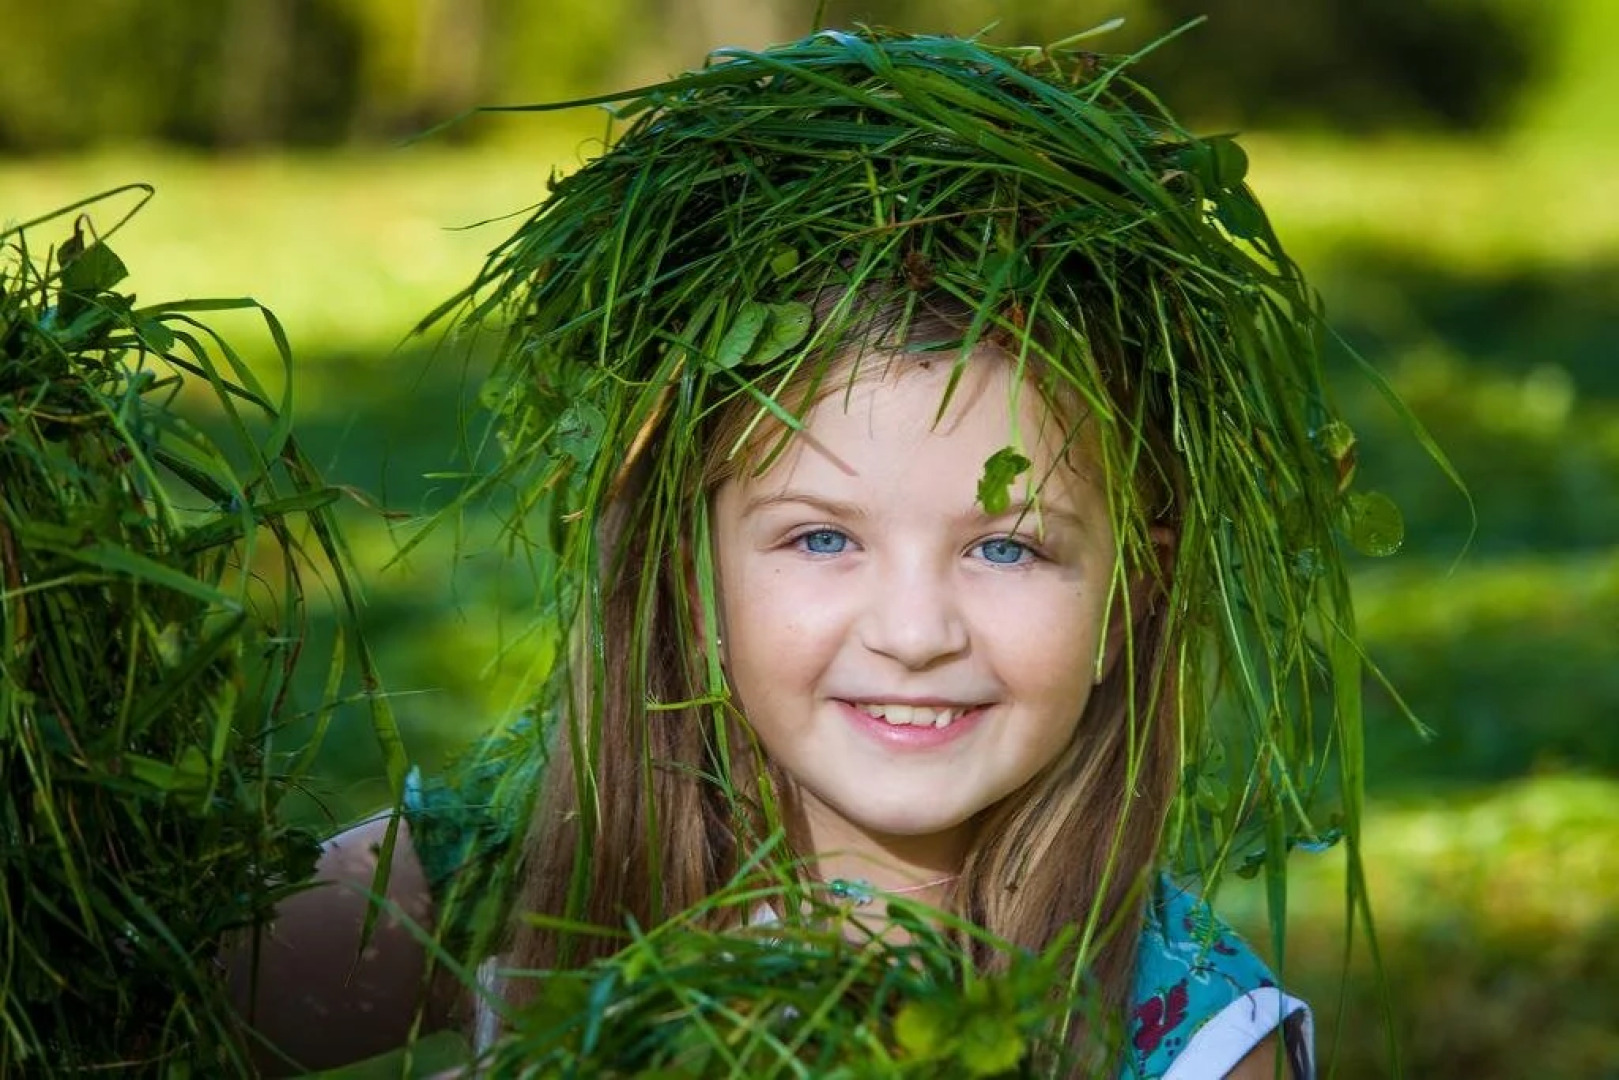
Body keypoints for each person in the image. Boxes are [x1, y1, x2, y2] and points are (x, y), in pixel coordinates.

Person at [234, 27, 1386, 1079]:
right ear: (684, 563)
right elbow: (139, 1008)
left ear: (1135, 578)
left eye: (1006, 548)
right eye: (822, 536)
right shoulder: (524, 866)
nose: (913, 630)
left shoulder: (1188, 1038)